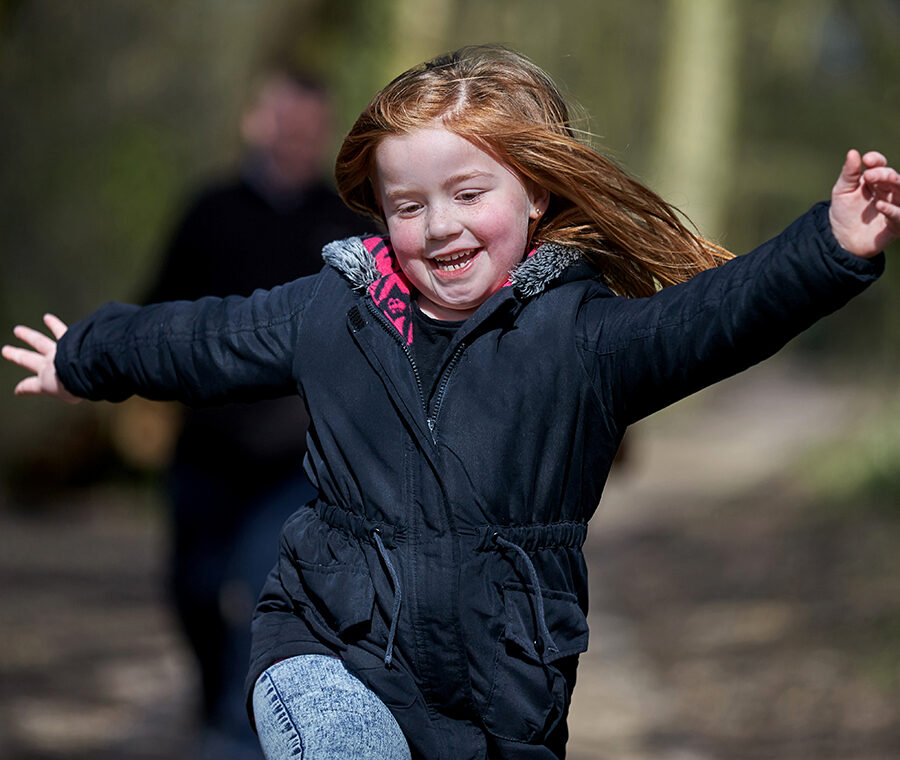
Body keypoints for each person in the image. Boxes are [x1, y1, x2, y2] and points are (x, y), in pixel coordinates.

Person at [3, 45, 898, 760]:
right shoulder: (336, 309)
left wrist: (829, 247)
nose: (439, 227)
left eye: (468, 194)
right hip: (330, 647)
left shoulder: (583, 338)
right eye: (408, 205)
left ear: (536, 191)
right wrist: (87, 352)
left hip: (503, 696)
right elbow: (212, 338)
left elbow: (713, 318)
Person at [143, 65, 366, 758]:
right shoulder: (207, 212)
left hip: (296, 463)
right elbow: (155, 315)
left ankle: (237, 736)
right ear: (253, 122)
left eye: (306, 128)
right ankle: (214, 696)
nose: (292, 139)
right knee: (194, 588)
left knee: (259, 588)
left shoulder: (344, 228)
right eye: (281, 123)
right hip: (206, 450)